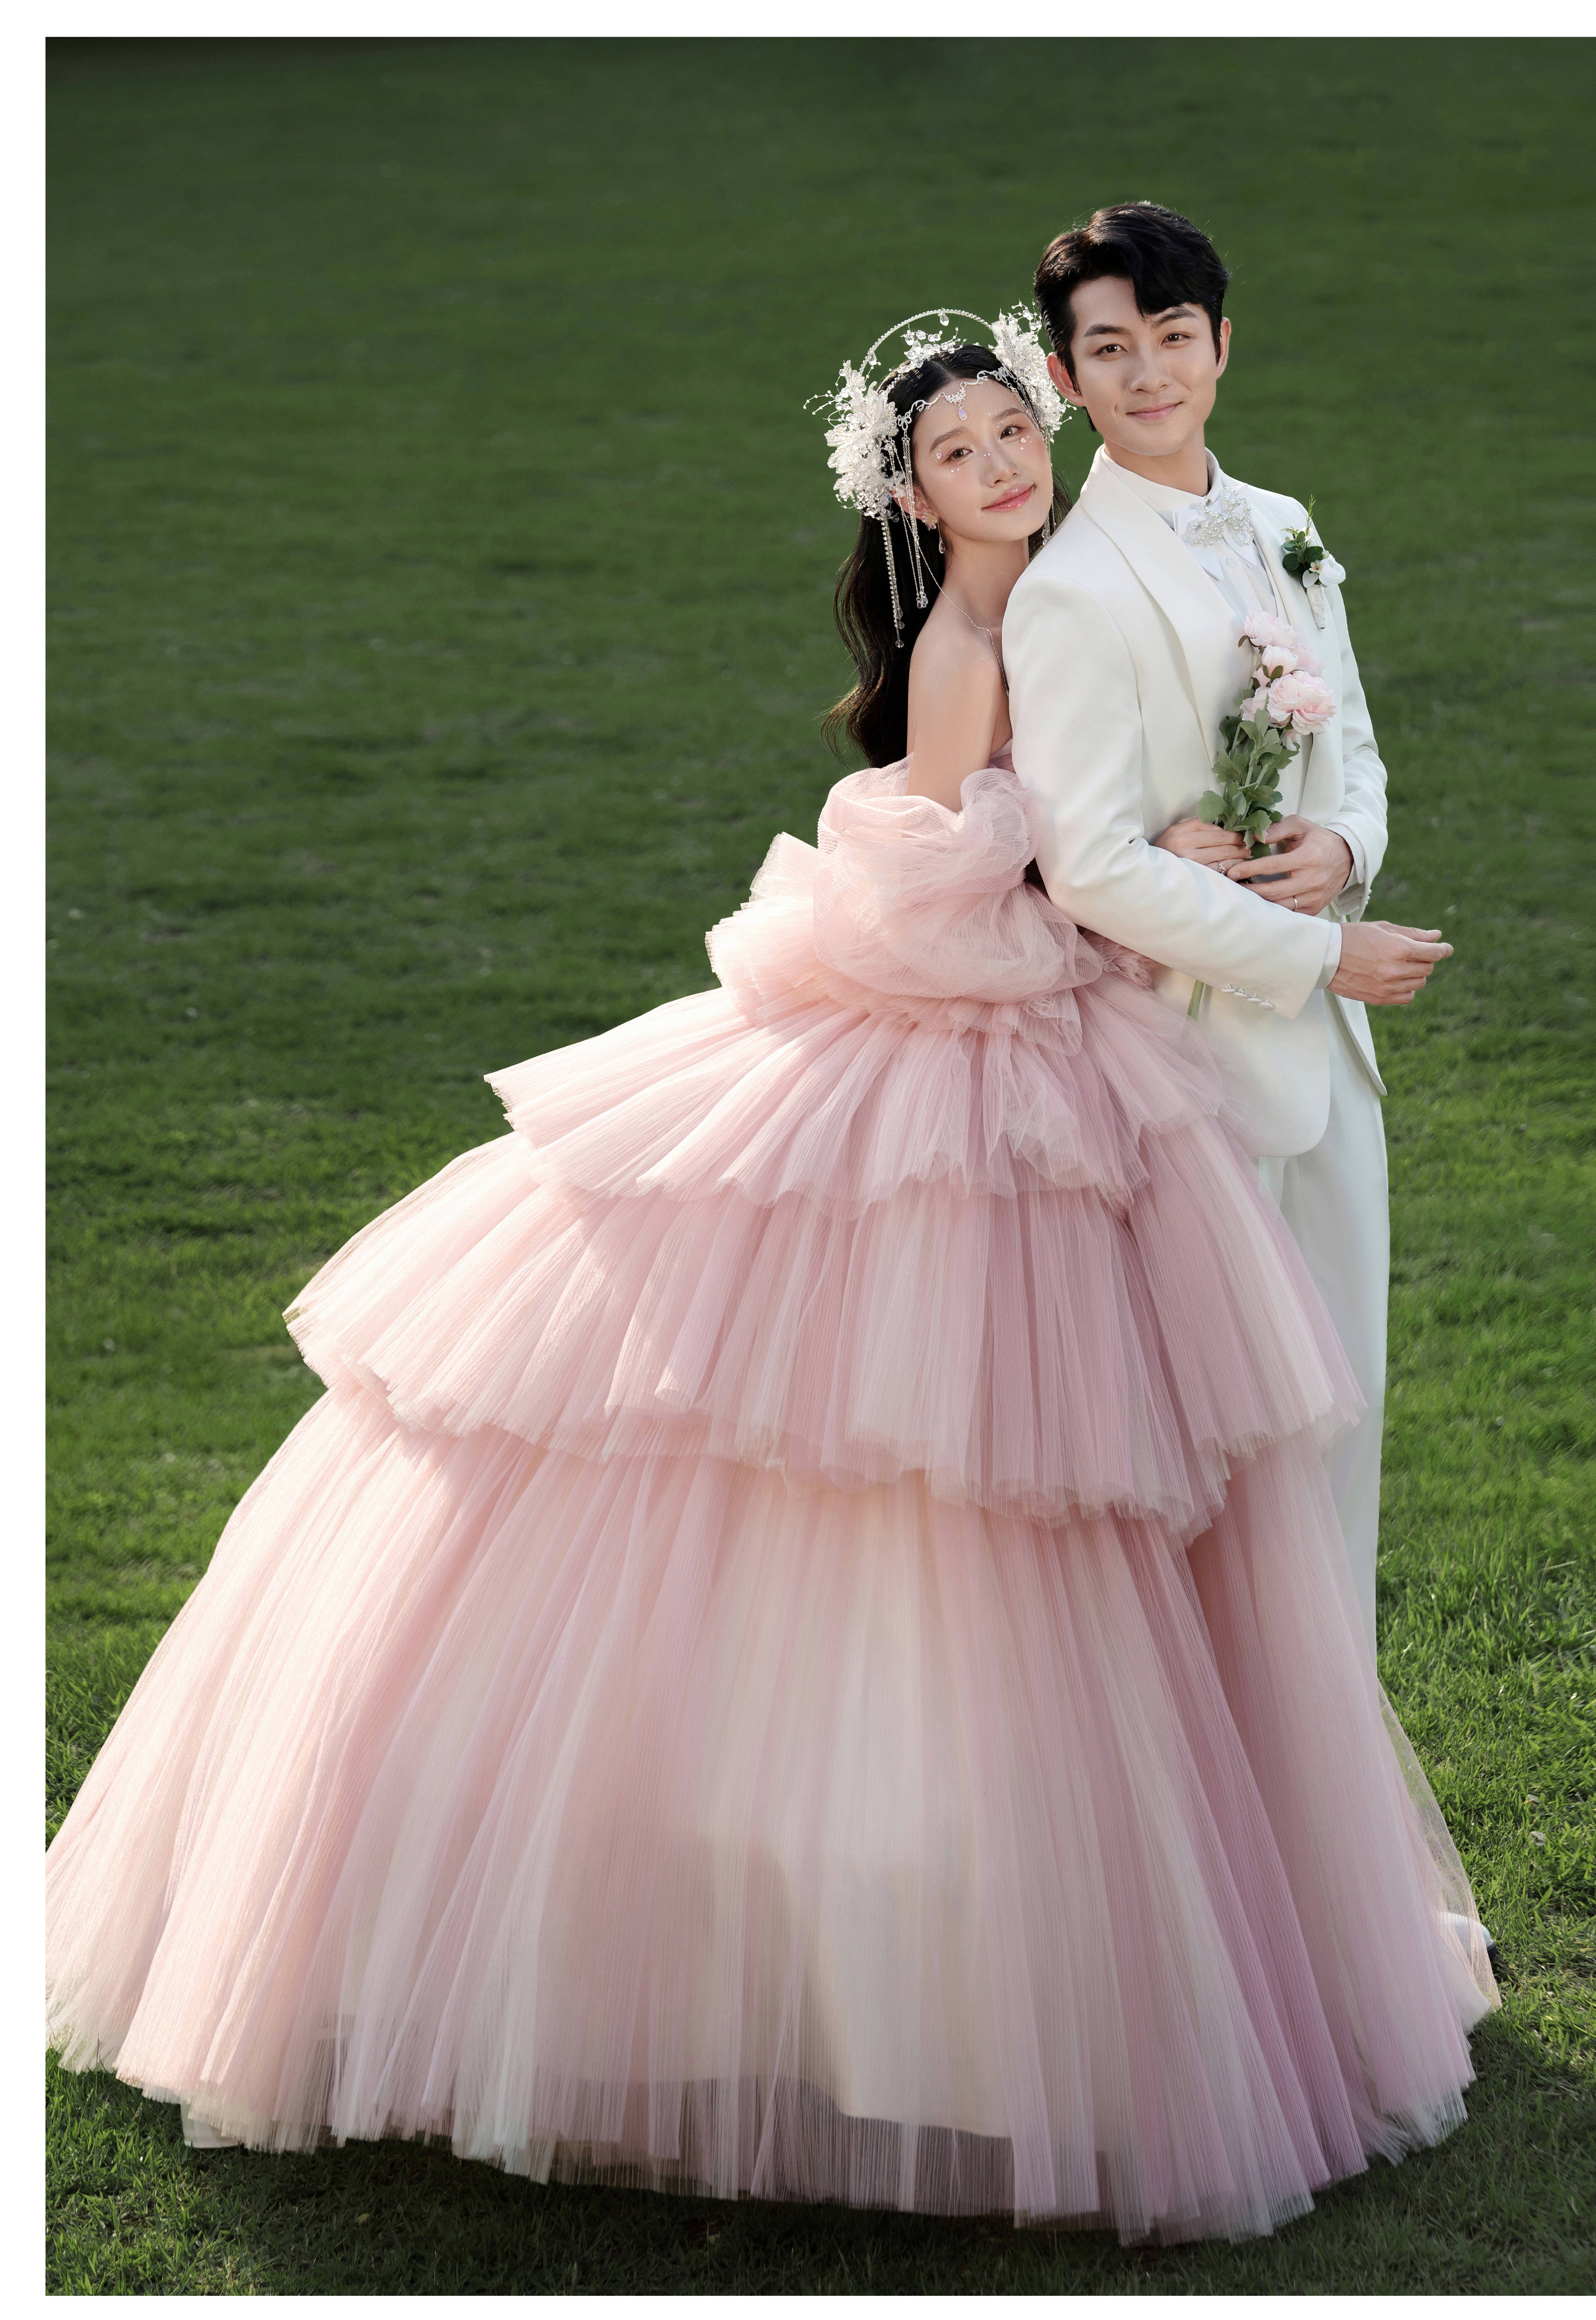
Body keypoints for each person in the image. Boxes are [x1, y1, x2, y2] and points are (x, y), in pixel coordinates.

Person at [45, 307, 1496, 2250]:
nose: (1003, 463)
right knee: (923, 1469)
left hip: (1070, 1040)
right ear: (911, 498)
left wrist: (1159, 852)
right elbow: (950, 889)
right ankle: (850, 1955)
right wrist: (1123, 871)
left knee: (1049, 1484)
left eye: (1013, 429)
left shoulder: (1076, 582)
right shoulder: (973, 646)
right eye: (960, 451)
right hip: (971, 1060)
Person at [1006, 203, 1450, 1663]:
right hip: (1183, 1075)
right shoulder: (1070, 587)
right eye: (1109, 350)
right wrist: (1320, 953)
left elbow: (1356, 746)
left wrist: (1346, 848)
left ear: (1222, 346)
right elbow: (1089, 861)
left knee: (1342, 1431)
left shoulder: (1282, 525)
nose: (1148, 374)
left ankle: (1327, 1782)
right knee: (1224, 1466)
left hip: (1333, 1063)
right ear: (1065, 379)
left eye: (1173, 338)